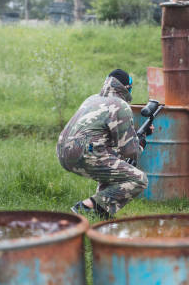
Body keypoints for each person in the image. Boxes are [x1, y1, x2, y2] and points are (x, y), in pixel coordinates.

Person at [56, 69, 149, 219]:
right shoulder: (121, 105)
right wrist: (141, 142)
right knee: (138, 179)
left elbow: (103, 139)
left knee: (112, 159)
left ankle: (101, 213)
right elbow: (130, 152)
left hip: (63, 151)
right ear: (127, 88)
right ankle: (86, 206)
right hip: (85, 152)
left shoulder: (92, 99)